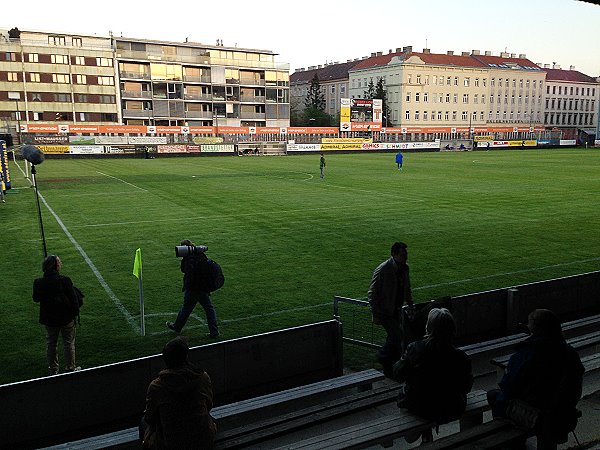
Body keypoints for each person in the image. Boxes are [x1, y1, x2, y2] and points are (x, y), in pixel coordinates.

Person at [487, 309, 584, 448]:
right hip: (565, 416)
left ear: (535, 328)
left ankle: (514, 443)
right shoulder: (570, 352)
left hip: (542, 418)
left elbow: (508, 387)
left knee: (493, 395)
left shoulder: (528, 353)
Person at [393, 308, 473, 444]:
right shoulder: (460, 357)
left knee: (406, 392)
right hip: (450, 407)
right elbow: (466, 387)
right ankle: (426, 432)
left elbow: (398, 374)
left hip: (419, 406)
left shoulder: (415, 349)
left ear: (428, 328)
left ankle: (423, 432)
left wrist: (404, 357)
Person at [141, 336, 217, 449]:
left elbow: (150, 418)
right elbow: (208, 405)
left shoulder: (157, 386)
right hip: (203, 441)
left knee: (142, 423)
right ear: (186, 357)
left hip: (171, 444)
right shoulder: (202, 378)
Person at [368, 242, 414, 376]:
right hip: (385, 312)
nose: (405, 257)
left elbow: (407, 288)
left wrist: (411, 305)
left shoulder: (405, 268)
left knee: (394, 337)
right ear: (393, 255)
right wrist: (375, 312)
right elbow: (372, 292)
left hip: (396, 310)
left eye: (406, 254)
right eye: (402, 254)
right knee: (398, 335)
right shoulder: (383, 269)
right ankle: (382, 356)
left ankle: (389, 367)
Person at [32, 255, 81, 375]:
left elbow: (36, 298)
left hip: (49, 319)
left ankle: (53, 369)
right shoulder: (64, 280)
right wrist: (75, 314)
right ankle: (70, 367)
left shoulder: (39, 282)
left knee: (51, 344)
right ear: (56, 266)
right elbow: (74, 299)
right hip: (66, 318)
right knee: (68, 343)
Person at [167, 239, 219, 337]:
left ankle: (177, 327)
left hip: (193, 288)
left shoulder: (189, 259)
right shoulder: (200, 254)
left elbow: (185, 271)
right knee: (209, 308)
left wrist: (184, 260)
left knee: (186, 308)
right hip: (203, 287)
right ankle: (214, 332)